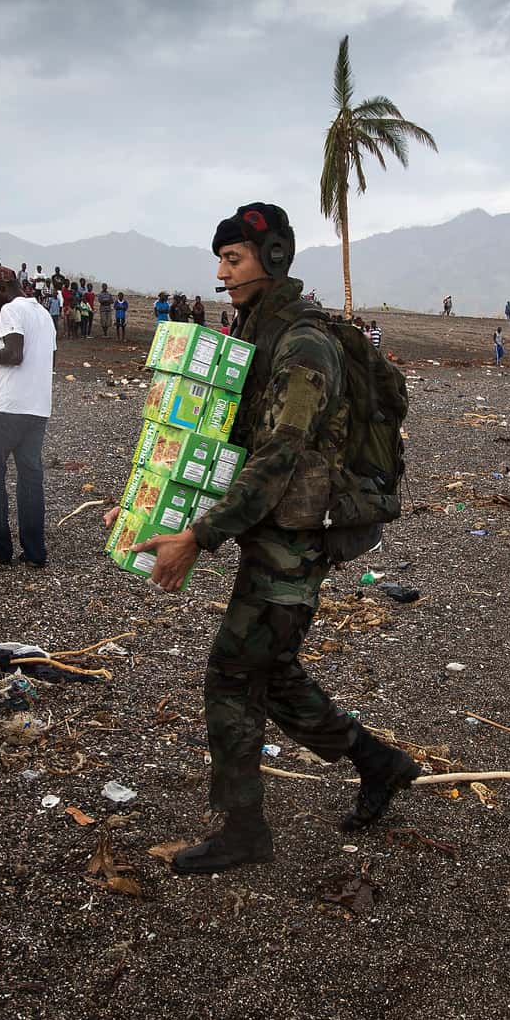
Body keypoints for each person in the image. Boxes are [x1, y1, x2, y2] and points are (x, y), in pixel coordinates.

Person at [127, 203, 420, 873]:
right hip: (276, 528)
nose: (222, 273)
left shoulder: (301, 343)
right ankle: (380, 763)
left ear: (275, 258)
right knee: (271, 668)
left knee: (235, 671)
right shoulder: (262, 333)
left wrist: (200, 536)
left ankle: (243, 831)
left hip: (297, 536)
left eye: (234, 259)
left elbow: (283, 450)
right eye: (222, 260)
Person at [0, 265, 53, 568]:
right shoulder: (43, 314)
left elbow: (14, 356)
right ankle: (34, 552)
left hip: (7, 407)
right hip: (38, 407)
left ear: (2, 288)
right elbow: (38, 357)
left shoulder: (11, 310)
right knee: (30, 478)